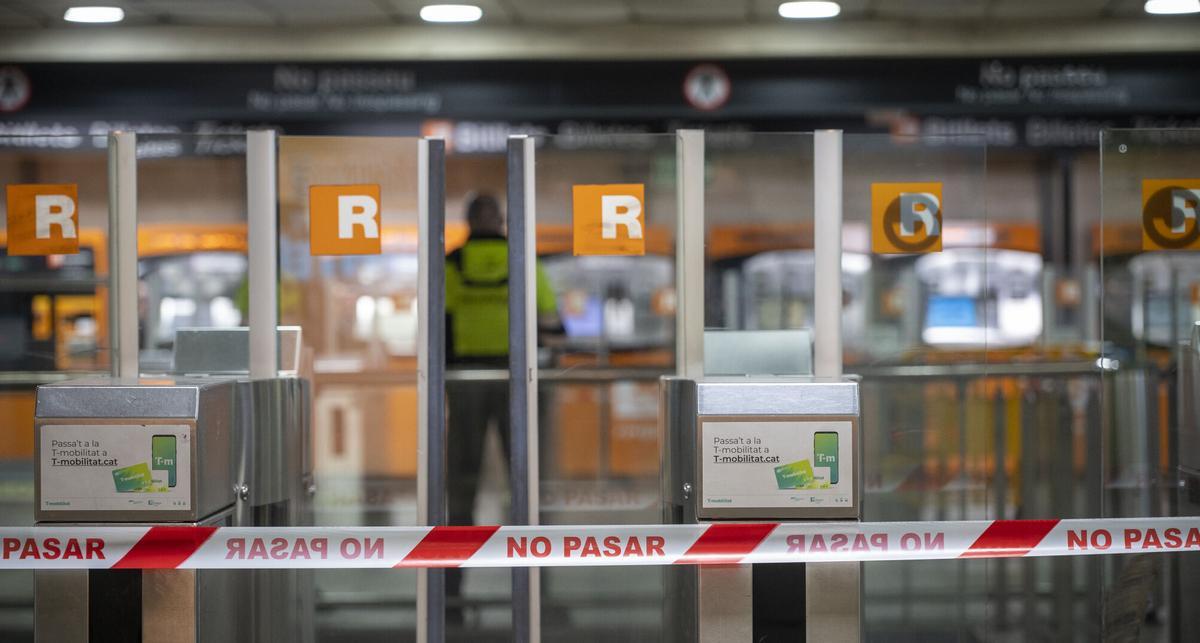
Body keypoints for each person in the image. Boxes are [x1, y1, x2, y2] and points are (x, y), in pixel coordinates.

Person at [443, 193, 559, 624]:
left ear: (469, 221)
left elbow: (439, 322)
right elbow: (551, 318)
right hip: (516, 381)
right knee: (525, 484)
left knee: (462, 485)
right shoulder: (524, 261)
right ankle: (534, 595)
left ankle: (451, 599)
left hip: (464, 381)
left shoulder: (452, 263)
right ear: (503, 221)